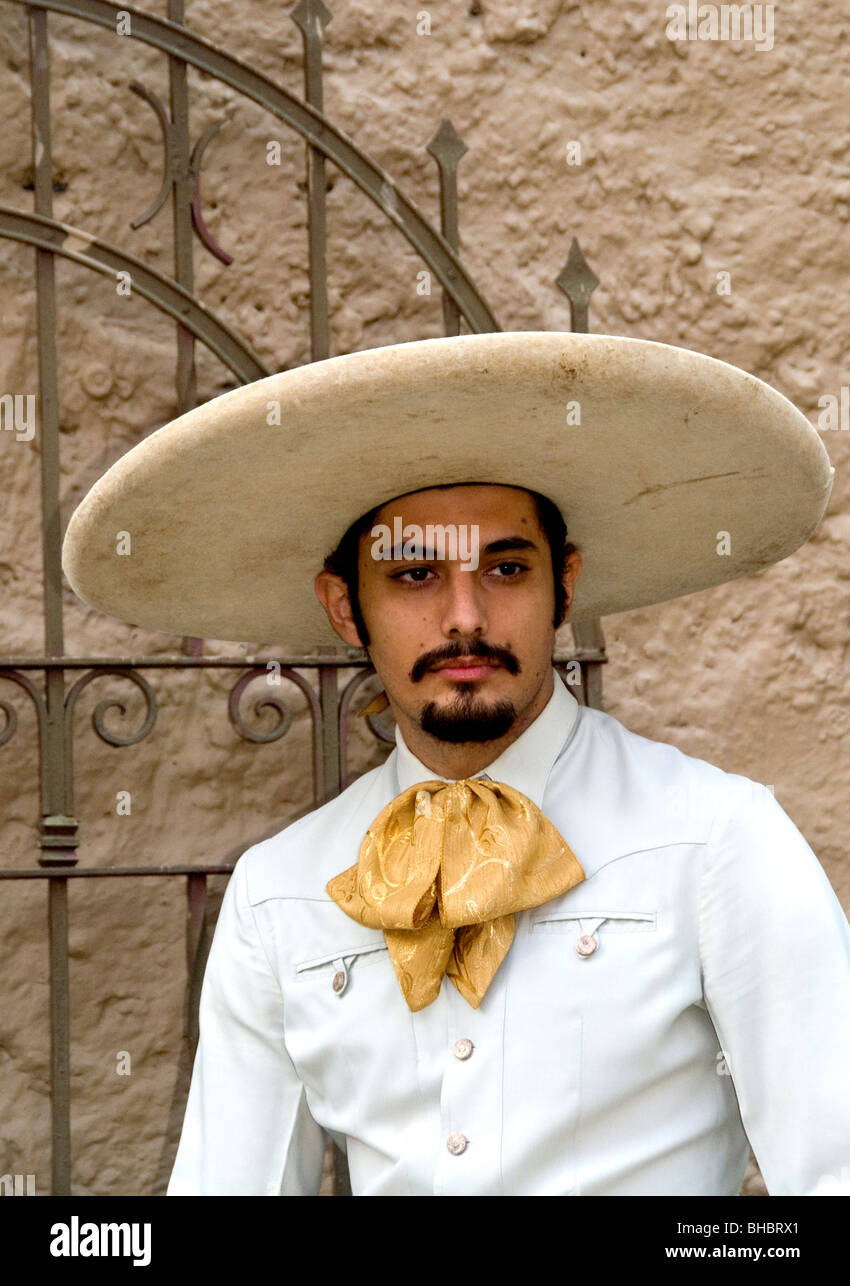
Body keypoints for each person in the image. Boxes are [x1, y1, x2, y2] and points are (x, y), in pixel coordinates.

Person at [60, 331, 850, 1195]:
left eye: (506, 569)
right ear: (344, 608)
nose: (465, 616)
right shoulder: (277, 893)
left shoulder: (718, 841)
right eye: (414, 576)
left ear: (567, 586)